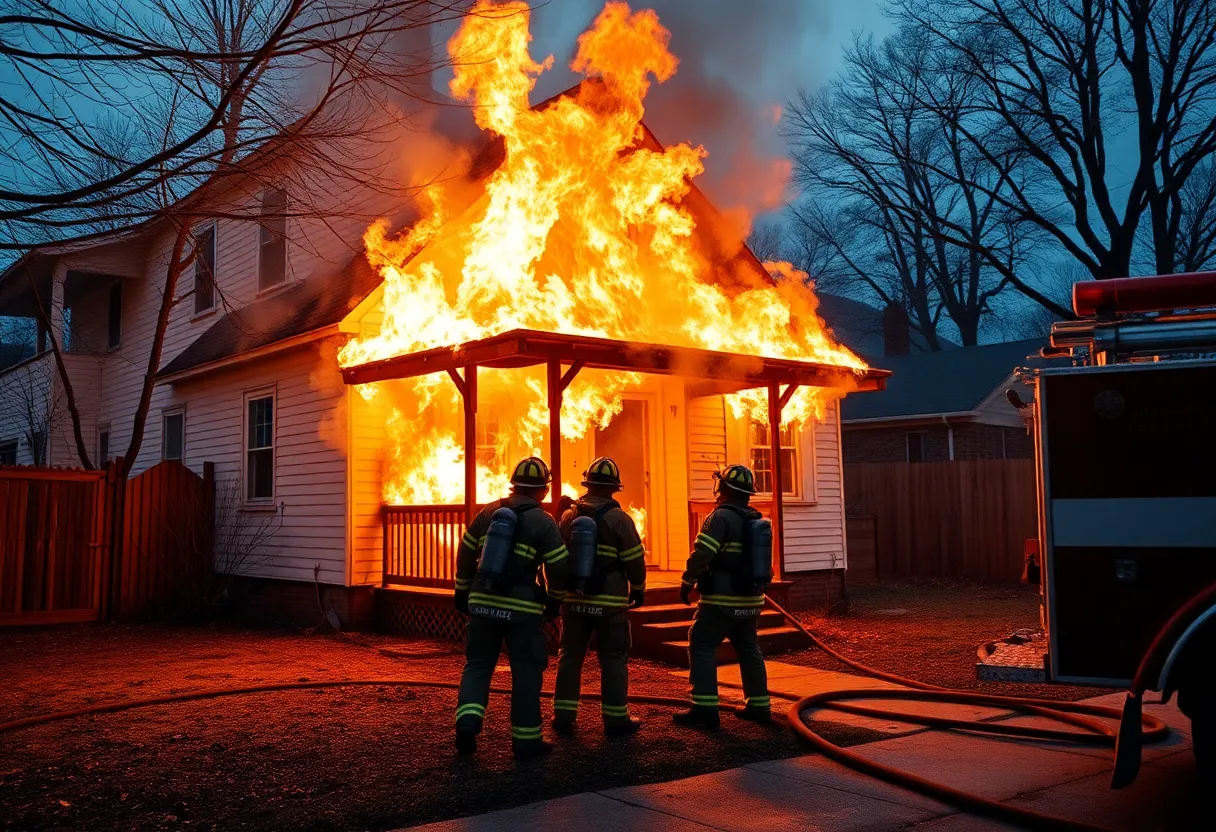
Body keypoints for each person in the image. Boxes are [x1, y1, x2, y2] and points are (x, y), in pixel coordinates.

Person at [452, 456, 570, 759]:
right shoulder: (543, 521)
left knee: (478, 665)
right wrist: (555, 601)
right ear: (542, 490)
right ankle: (526, 740)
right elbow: (558, 567)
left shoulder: (489, 511)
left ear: (514, 484)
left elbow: (465, 552)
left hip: (481, 601)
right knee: (526, 670)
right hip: (522, 608)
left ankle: (467, 723)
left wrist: (462, 590)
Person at [551, 457, 647, 737]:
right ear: (614, 488)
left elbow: (556, 557)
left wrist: (557, 593)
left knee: (569, 656)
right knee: (614, 659)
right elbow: (634, 560)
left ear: (588, 484)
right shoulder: (621, 519)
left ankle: (564, 716)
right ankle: (616, 720)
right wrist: (638, 589)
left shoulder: (570, 516)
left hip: (574, 600)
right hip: (610, 604)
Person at [673, 464, 771, 730]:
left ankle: (704, 710)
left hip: (721, 601)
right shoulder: (755, 519)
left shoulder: (719, 518)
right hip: (751, 600)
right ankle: (759, 706)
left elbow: (702, 554)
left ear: (724, 488)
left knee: (702, 644)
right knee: (749, 649)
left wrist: (687, 581)